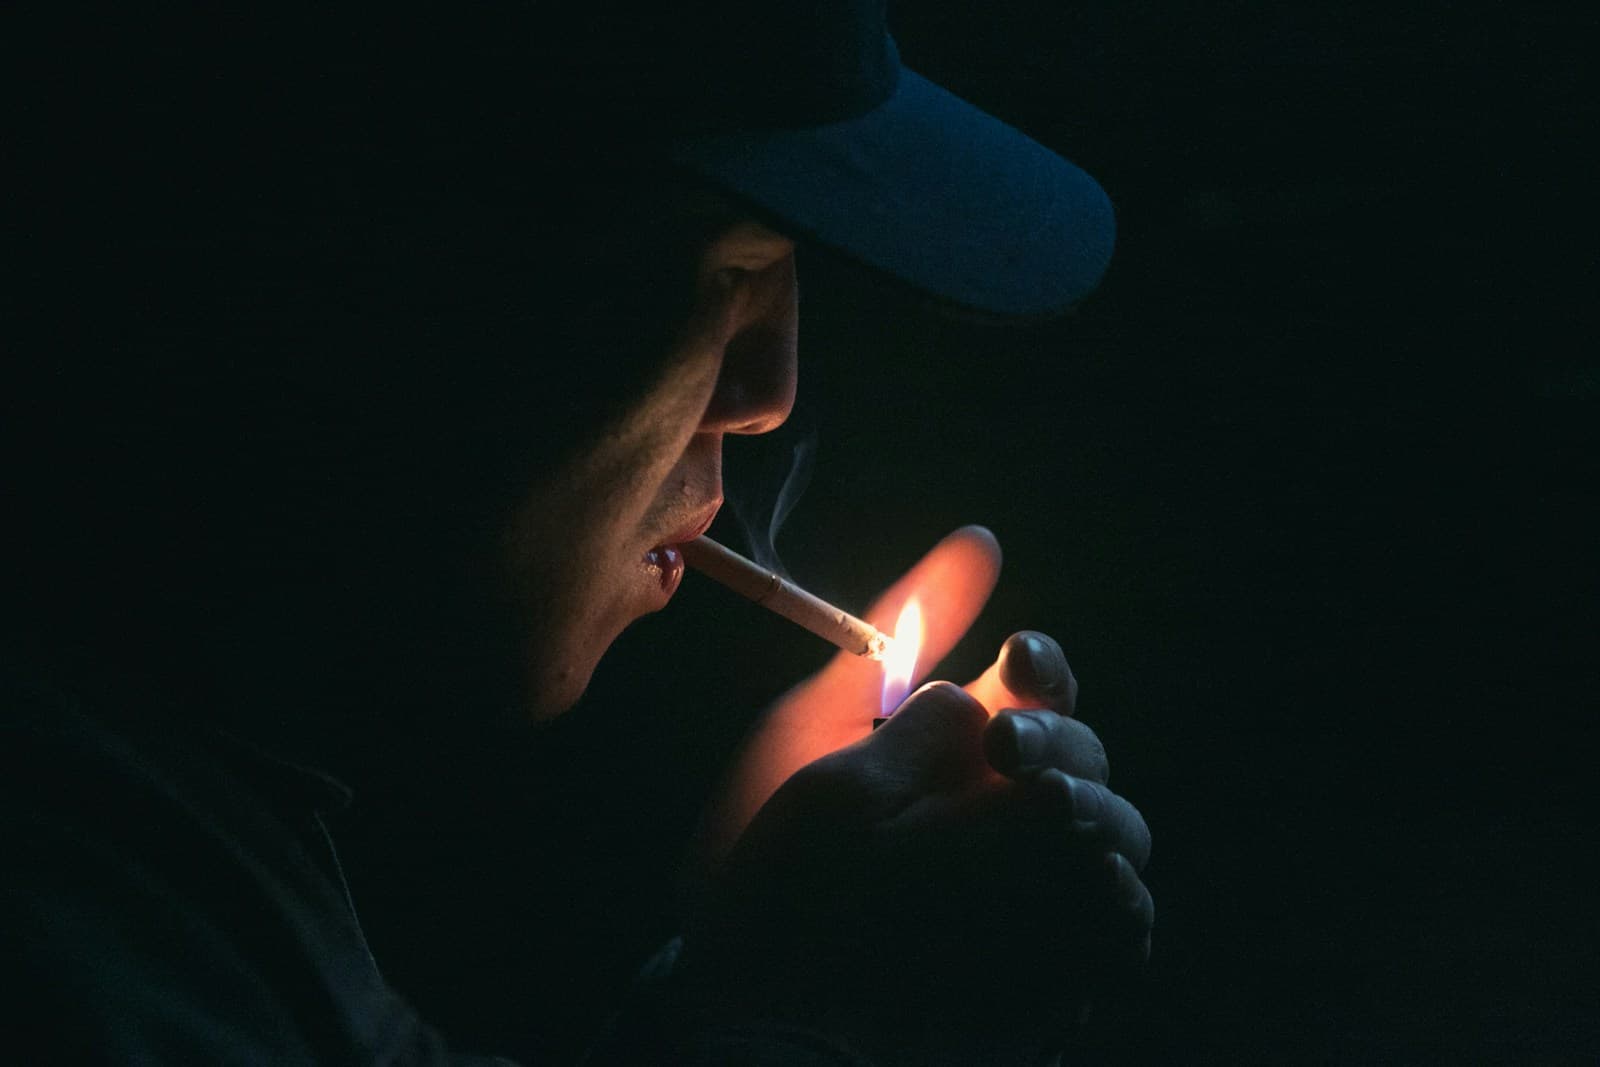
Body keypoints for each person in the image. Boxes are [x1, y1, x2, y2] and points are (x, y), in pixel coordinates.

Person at [3, 3, 1152, 1063]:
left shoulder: (187, 815)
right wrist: (801, 1027)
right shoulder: (76, 935)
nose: (768, 391)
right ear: (370, 254)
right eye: (724, 265)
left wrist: (736, 984)